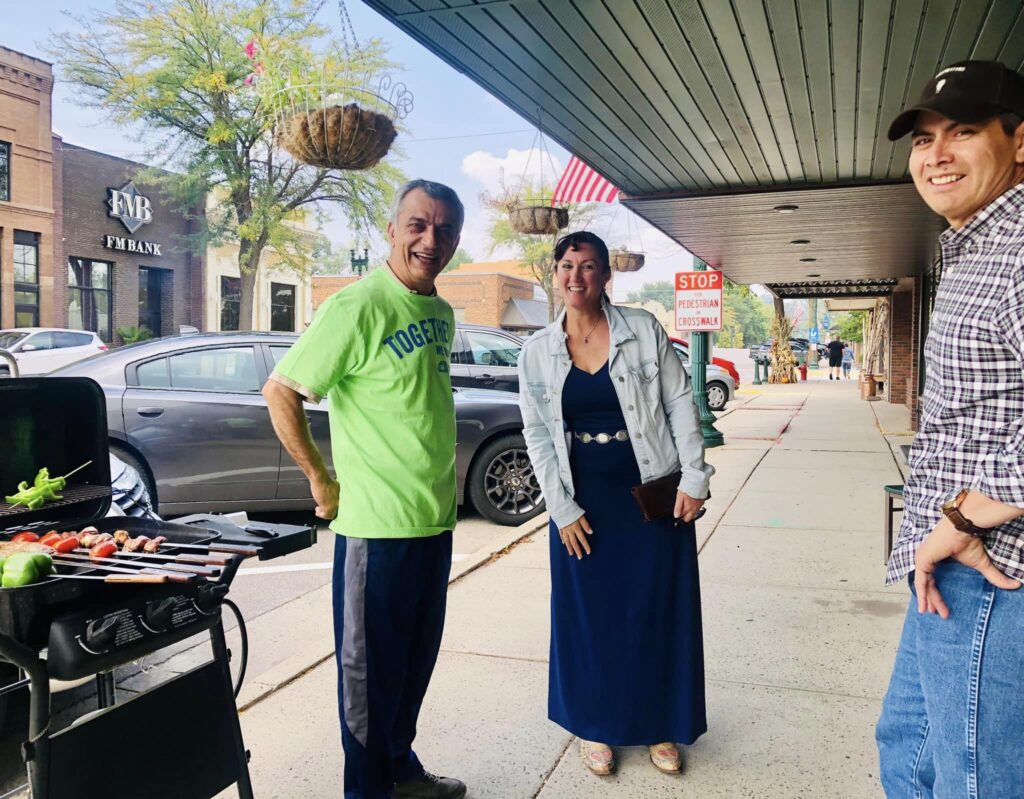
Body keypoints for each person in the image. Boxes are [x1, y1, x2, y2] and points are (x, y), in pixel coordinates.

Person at [262, 179, 467, 799]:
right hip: (375, 532)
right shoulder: (355, 307)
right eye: (417, 225)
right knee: (368, 688)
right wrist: (319, 478)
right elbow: (282, 390)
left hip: (433, 524)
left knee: (410, 671)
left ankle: (401, 771)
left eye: (444, 229)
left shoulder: (439, 312)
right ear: (392, 230)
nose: (430, 241)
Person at [876, 60, 1024, 798]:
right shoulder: (973, 245)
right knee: (911, 754)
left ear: (1019, 142)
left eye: (964, 131)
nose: (936, 154)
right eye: (924, 137)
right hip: (950, 564)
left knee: (971, 780)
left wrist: (969, 514)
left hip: (995, 574)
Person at [517, 231, 714, 778]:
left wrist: (694, 477)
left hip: (650, 492)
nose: (576, 275)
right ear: (556, 274)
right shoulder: (536, 353)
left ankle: (658, 724)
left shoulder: (643, 330)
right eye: (566, 265)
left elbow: (679, 403)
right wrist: (561, 509)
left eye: (588, 266)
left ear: (606, 275)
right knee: (589, 616)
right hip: (584, 503)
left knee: (655, 611)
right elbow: (536, 435)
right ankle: (595, 724)